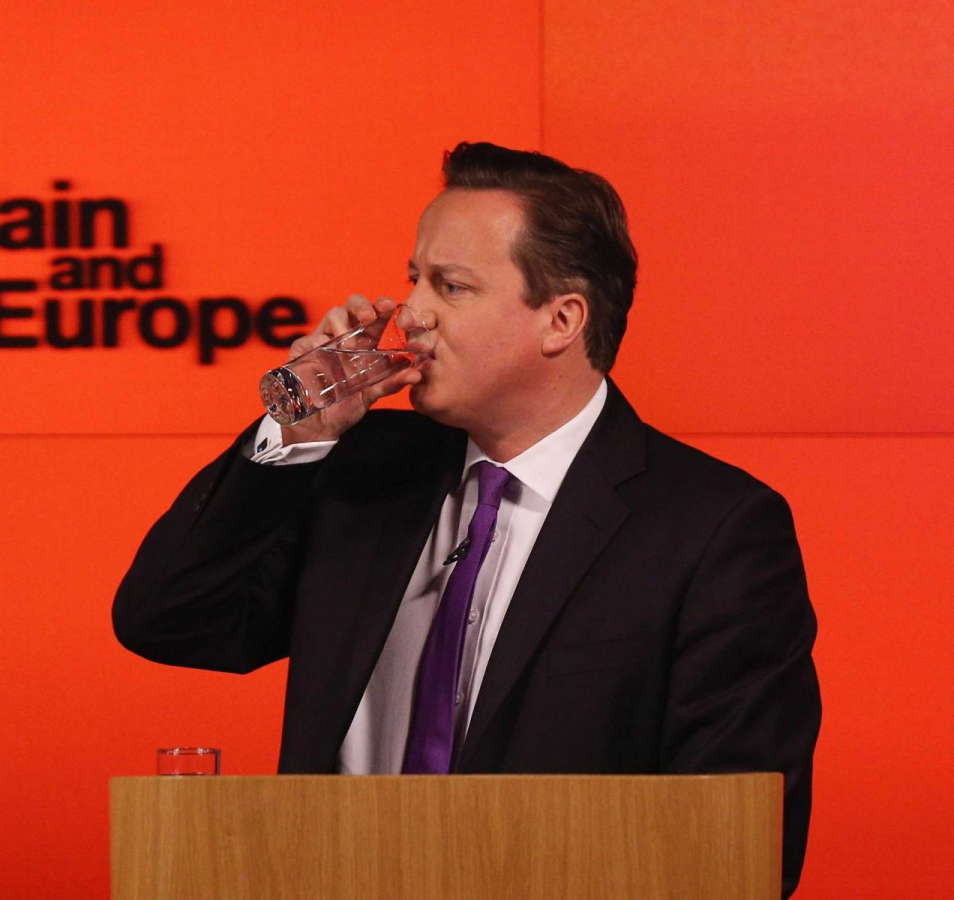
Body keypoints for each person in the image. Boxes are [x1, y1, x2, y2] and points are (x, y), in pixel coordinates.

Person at [113, 142, 821, 897]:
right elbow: (169, 620)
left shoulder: (712, 530)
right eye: (414, 278)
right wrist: (297, 431)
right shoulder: (360, 469)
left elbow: (739, 844)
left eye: (451, 287)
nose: (411, 315)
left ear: (561, 320)